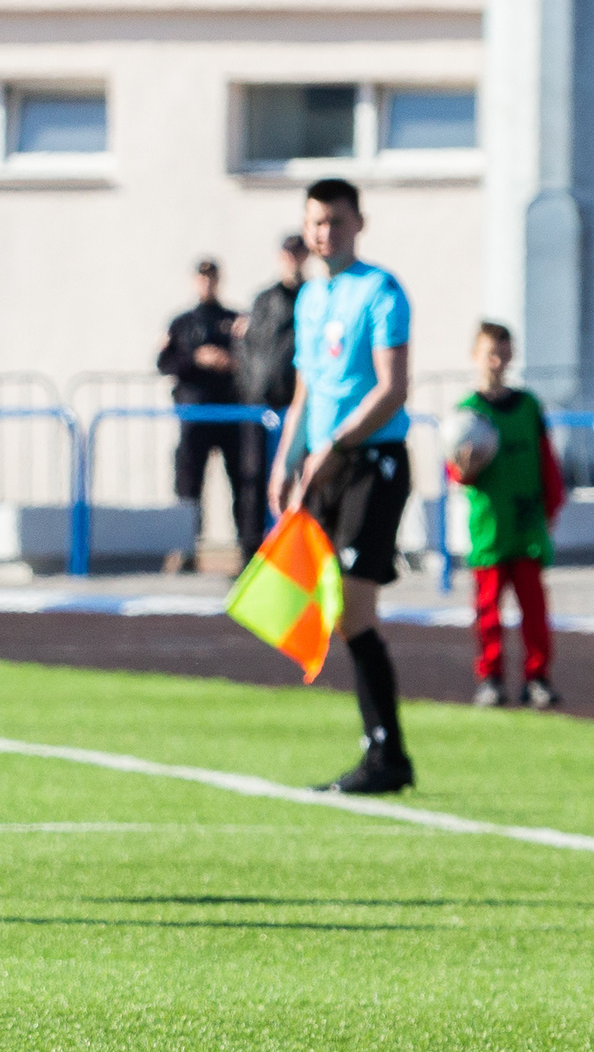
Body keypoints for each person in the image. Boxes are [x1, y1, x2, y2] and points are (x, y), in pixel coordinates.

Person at [269, 177, 415, 795]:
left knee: (355, 606)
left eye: (334, 220)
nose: (324, 232)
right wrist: (287, 459)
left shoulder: (381, 292)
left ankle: (386, 754)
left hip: (370, 461)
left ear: (360, 223)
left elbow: (392, 388)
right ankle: (383, 751)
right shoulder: (310, 298)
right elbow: (306, 392)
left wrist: (336, 446)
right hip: (323, 465)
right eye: (315, 222)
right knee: (330, 613)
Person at [454, 322, 563, 710]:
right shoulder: (469, 414)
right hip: (490, 528)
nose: (497, 361)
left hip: (527, 524)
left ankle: (537, 678)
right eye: (489, 353)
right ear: (475, 357)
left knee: (534, 610)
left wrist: (551, 505)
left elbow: (546, 462)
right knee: (487, 611)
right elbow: (457, 471)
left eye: (503, 352)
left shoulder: (529, 406)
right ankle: (491, 678)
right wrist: (466, 467)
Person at [155, 257, 242, 570]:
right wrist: (196, 358)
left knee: (242, 481)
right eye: (202, 278)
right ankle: (186, 550)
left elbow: (253, 363)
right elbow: (164, 363)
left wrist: (229, 360)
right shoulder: (182, 324)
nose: (208, 284)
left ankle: (247, 550)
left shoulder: (234, 320)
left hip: (231, 415)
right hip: (195, 416)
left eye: (213, 278)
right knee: (189, 486)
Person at [231, 235, 307, 561]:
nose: (293, 260)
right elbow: (248, 351)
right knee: (254, 478)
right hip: (262, 407)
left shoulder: (313, 297)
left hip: (298, 406)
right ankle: (252, 552)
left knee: (302, 477)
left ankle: (295, 551)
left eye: (298, 253)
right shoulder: (265, 301)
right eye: (288, 254)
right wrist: (252, 393)